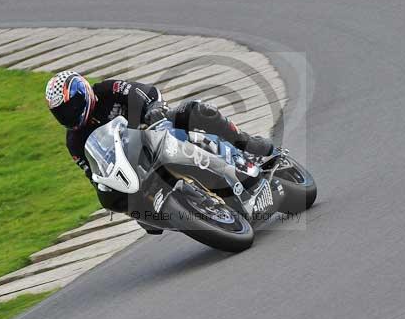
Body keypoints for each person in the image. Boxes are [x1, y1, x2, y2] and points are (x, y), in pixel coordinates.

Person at [45, 71, 273, 213]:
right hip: (136, 165)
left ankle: (247, 144)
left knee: (198, 110)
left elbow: (145, 92)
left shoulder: (108, 89)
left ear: (84, 92)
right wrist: (105, 188)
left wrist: (154, 109)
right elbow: (92, 173)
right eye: (61, 113)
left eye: (72, 106)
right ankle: (187, 211)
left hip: (155, 129)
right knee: (122, 203)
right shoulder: (74, 141)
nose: (69, 115)